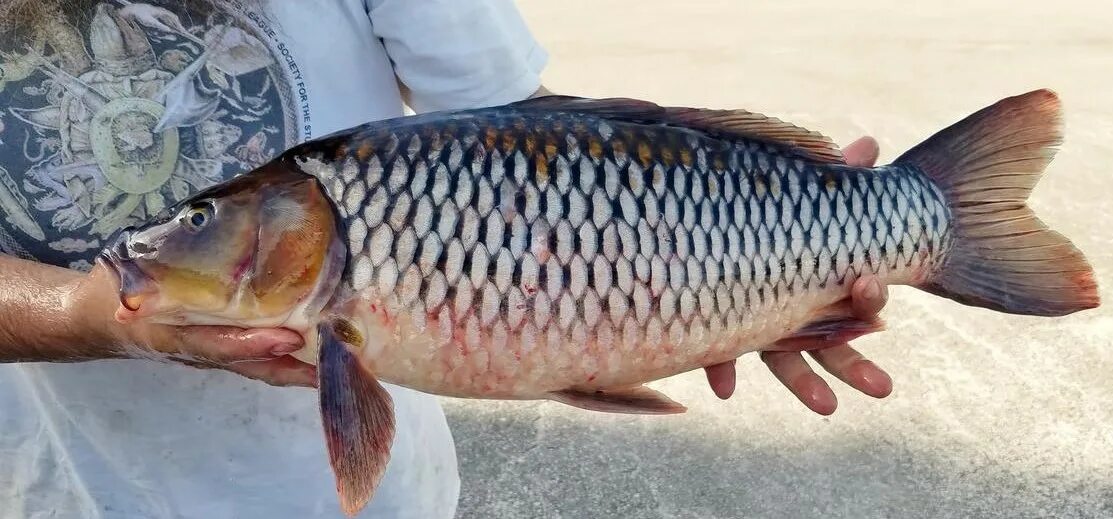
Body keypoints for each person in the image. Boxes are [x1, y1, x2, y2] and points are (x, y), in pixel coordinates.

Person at [0, 1, 893, 517]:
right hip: (61, 487)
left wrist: (748, 269)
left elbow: (527, 135)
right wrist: (86, 315)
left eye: (199, 221)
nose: (152, 248)